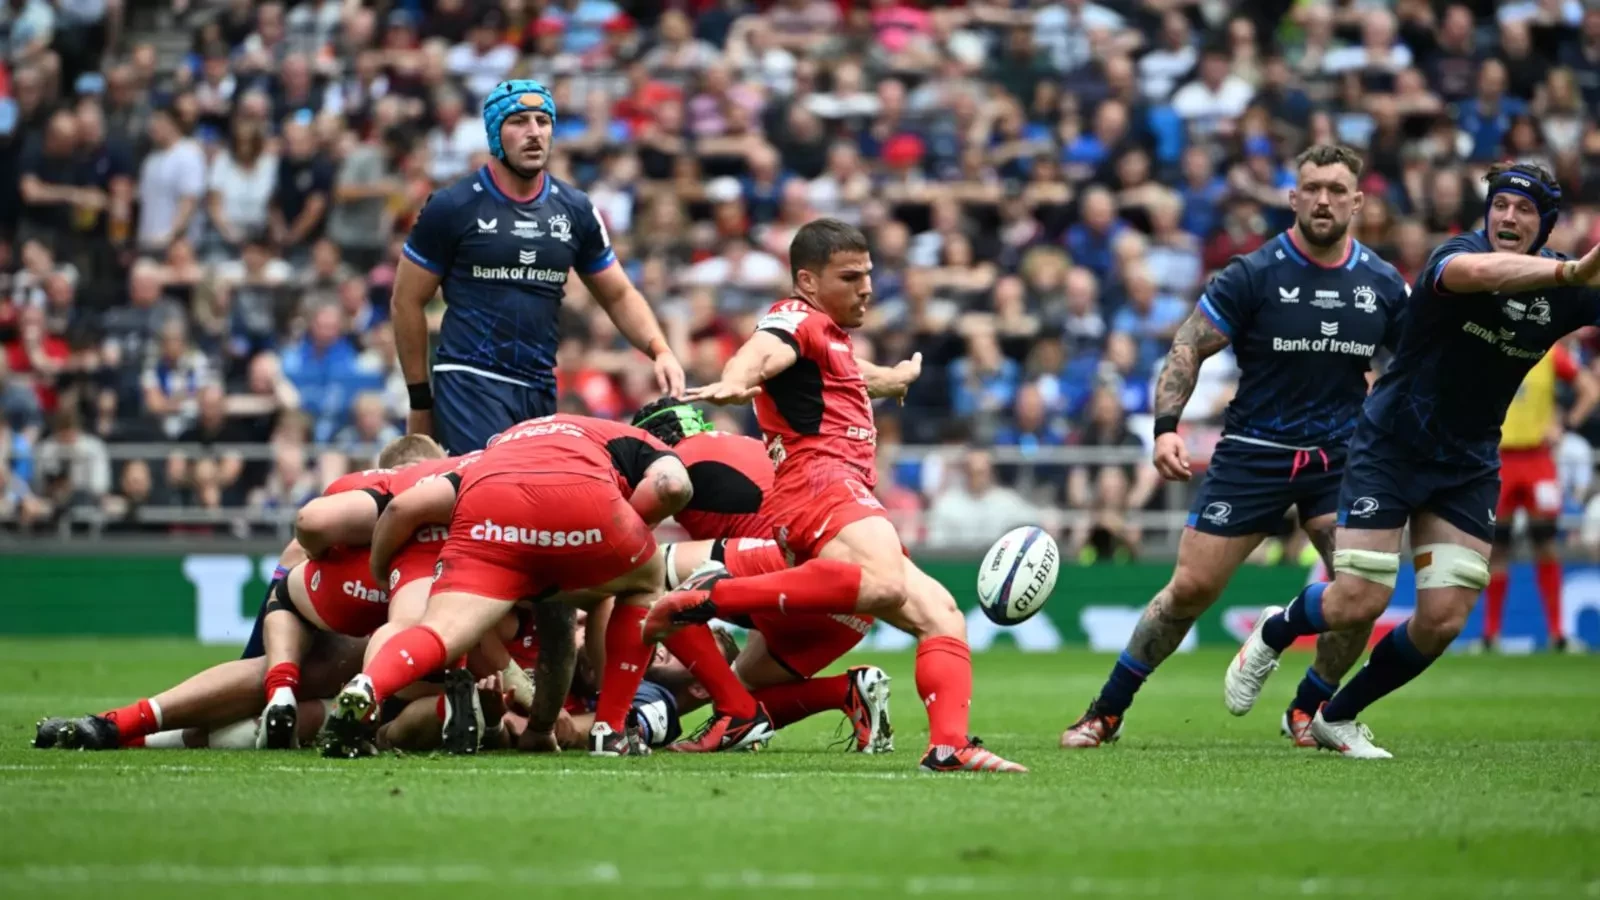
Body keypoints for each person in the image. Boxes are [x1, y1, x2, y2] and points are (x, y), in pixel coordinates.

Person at [1226, 162, 1600, 758]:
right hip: (1392, 446)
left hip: (1469, 461)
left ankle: (1336, 716)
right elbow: (1481, 273)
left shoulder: (1568, 292)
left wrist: (1575, 278)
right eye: (1501, 204)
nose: (1508, 216)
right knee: (1360, 598)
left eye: (1524, 210)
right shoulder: (1458, 256)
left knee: (1443, 618)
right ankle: (1275, 629)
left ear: (1544, 222)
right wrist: (1571, 269)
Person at [1060, 145, 1410, 750]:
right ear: (1293, 198)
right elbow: (1188, 346)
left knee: (1358, 593)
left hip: (1340, 459)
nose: (1322, 199)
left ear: (1357, 201)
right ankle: (1107, 710)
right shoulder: (1253, 273)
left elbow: (1411, 374)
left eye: (1335, 189)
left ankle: (1308, 709)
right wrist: (1166, 425)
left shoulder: (1381, 285)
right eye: (1311, 188)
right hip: (1254, 452)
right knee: (1191, 589)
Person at [645, 218, 1025, 774]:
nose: (866, 287)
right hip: (817, 487)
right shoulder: (793, 317)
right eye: (850, 277)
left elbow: (848, 371)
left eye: (868, 275)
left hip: (840, 496)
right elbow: (764, 352)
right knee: (886, 582)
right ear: (807, 282)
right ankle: (711, 599)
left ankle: (948, 747)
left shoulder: (831, 339)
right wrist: (735, 377)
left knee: (942, 616)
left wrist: (891, 379)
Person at [318, 414, 695, 759]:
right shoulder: (639, 440)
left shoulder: (498, 446)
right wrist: (624, 531)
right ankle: (610, 729)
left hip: (489, 513)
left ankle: (368, 686)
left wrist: (380, 572)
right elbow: (674, 486)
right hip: (583, 508)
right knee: (645, 581)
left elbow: (401, 507)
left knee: (439, 632)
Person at [394, 79, 684, 454]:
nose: (534, 133)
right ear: (495, 133)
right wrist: (420, 400)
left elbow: (617, 293)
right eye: (518, 121)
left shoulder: (575, 209)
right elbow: (406, 302)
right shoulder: (453, 206)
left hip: (539, 387)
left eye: (542, 121)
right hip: (469, 382)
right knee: (492, 492)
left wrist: (660, 349)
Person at [630, 397, 893, 753]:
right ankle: (847, 692)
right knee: (743, 686)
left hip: (801, 568)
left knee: (646, 573)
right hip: (851, 603)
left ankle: (730, 712)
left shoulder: (676, 463)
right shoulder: (735, 445)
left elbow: (622, 542)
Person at [1477, 339, 1597, 652]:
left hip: (1537, 459)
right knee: (1497, 546)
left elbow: (1589, 388)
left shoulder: (1551, 353)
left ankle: (1558, 633)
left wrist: (1565, 425)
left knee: (1545, 541)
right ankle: (1491, 635)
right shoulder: (1490, 348)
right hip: (1498, 458)